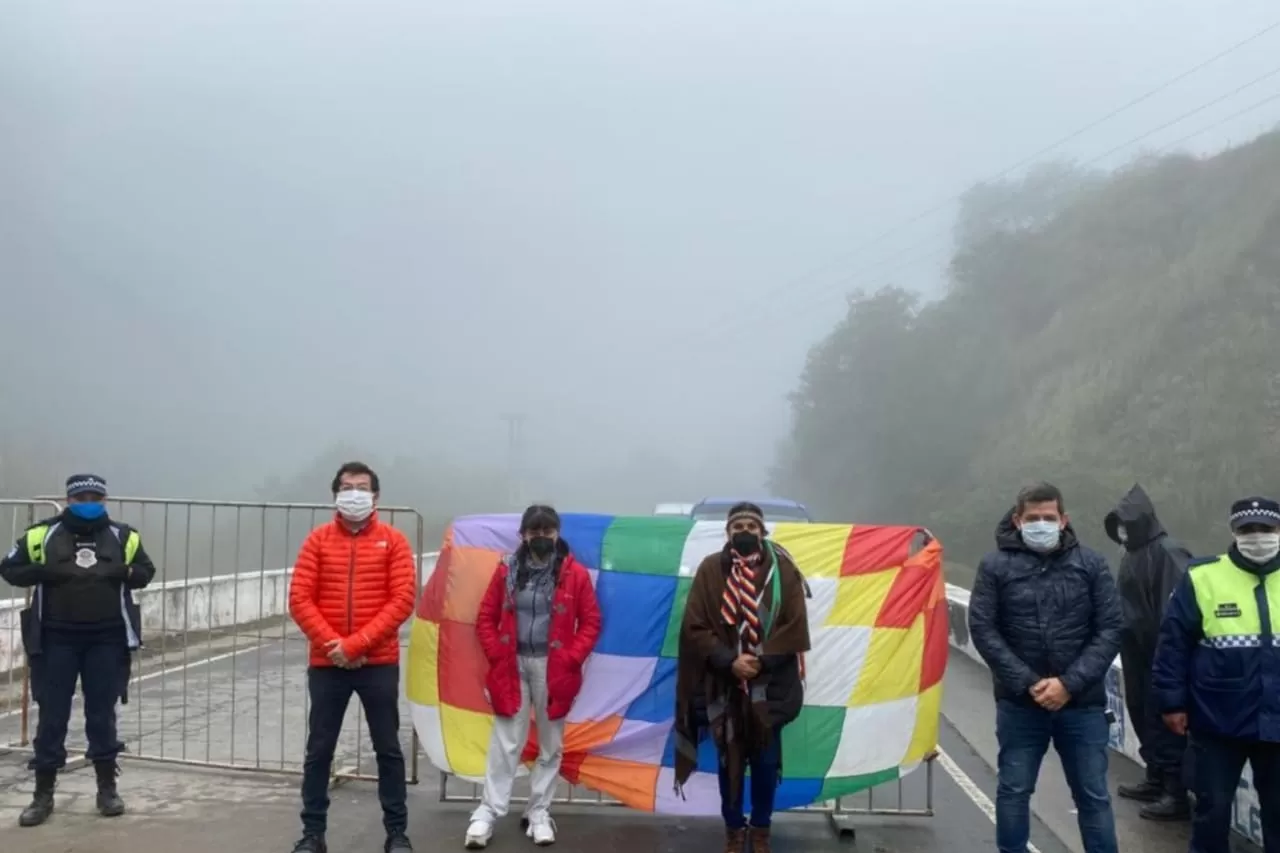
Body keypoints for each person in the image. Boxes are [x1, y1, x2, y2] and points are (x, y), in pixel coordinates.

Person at [968, 482, 1123, 853]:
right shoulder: (994, 566)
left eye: (1048, 518)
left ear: (1064, 520)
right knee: (1014, 790)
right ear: (1018, 520)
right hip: (1020, 704)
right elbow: (983, 628)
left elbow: (1111, 627)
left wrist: (1069, 684)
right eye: (1033, 518)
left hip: (1082, 704)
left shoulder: (1091, 564)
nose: (1041, 524)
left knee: (1093, 797)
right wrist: (1029, 683)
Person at [0, 474, 156, 827]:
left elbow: (146, 572)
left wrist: (124, 571)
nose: (89, 501)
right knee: (52, 718)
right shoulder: (42, 534)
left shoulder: (124, 536)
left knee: (102, 717)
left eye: (95, 496)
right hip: (55, 640)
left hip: (107, 640)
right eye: (81, 496)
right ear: (68, 499)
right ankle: (42, 795)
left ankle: (107, 790)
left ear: (104, 499)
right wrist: (41, 572)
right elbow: (9, 568)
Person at [287, 462, 418, 853]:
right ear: (335, 495)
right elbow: (299, 599)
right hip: (328, 665)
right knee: (319, 749)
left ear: (376, 497)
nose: (354, 494)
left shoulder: (394, 541)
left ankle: (397, 832)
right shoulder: (318, 541)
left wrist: (357, 645)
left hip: (378, 663)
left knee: (388, 749)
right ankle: (313, 833)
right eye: (347, 488)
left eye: (362, 488)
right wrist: (335, 647)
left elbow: (402, 600)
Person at [674, 501, 811, 853]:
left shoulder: (783, 569)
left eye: (752, 526)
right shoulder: (709, 570)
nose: (745, 531)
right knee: (728, 760)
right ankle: (734, 829)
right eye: (738, 527)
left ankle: (761, 829)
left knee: (766, 763)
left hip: (771, 686)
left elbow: (793, 627)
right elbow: (695, 626)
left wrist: (760, 662)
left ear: (763, 531)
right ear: (728, 532)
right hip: (725, 685)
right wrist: (729, 660)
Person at [464, 504, 601, 849]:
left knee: (551, 743)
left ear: (557, 533)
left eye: (548, 531)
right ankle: (488, 811)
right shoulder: (505, 571)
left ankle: (539, 811)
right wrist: (497, 653)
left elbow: (590, 622)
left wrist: (570, 658)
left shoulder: (575, 574)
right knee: (506, 740)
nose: (541, 537)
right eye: (534, 531)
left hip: (553, 669)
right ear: (523, 535)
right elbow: (485, 617)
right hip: (511, 665)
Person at [1152, 496, 1280, 853]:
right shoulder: (1203, 576)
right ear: (1234, 532)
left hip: (1278, 720)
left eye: (1266, 529)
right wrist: (1171, 703)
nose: (1257, 536)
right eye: (1247, 529)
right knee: (1212, 813)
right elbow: (1173, 645)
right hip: (1216, 721)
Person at [1103, 484, 1193, 820]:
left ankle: (1175, 791)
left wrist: (1170, 652)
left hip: (1161, 651)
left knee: (1164, 718)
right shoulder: (1131, 554)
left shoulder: (1167, 552)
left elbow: (1177, 607)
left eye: (1126, 522)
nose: (1122, 529)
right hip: (1135, 648)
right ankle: (1155, 776)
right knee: (1140, 710)